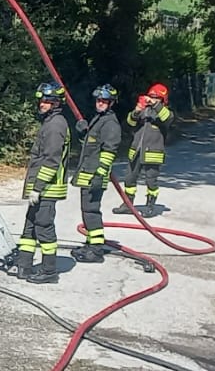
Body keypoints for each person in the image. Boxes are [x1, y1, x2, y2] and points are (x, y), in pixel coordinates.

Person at [9, 82, 72, 284]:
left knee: (44, 226)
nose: (42, 104)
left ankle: (49, 271)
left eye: (47, 101)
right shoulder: (49, 122)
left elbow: (51, 160)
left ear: (56, 103)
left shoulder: (55, 126)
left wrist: (38, 187)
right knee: (30, 227)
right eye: (41, 100)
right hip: (40, 187)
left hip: (48, 187)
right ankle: (24, 265)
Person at [72, 84, 123, 263]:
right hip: (87, 173)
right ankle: (90, 244)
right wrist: (82, 134)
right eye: (98, 100)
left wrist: (100, 175)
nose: (100, 103)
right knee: (87, 211)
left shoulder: (110, 123)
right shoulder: (99, 119)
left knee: (92, 212)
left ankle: (96, 250)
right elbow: (91, 147)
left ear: (111, 103)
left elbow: (109, 151)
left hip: (95, 175)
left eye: (104, 101)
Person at [116, 82, 174, 216]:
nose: (151, 99)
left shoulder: (164, 113)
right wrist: (136, 111)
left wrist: (154, 104)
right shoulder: (144, 111)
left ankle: (150, 206)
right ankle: (127, 205)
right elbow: (129, 124)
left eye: (155, 97)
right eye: (150, 96)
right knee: (129, 179)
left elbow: (167, 119)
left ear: (162, 100)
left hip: (153, 153)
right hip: (136, 152)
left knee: (151, 181)